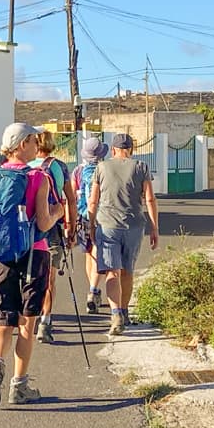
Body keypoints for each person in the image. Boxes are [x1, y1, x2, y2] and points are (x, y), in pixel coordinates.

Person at [0, 122, 63, 406]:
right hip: (33, 254)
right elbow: (44, 222)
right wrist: (58, 212)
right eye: (34, 140)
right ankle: (19, 386)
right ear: (23, 144)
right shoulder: (38, 177)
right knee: (27, 322)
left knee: (4, 318)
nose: (37, 145)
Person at [87, 132, 159, 336]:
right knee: (127, 271)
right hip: (134, 226)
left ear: (113, 149)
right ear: (131, 149)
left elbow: (93, 200)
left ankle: (116, 314)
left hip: (107, 225)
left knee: (112, 272)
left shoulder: (102, 167)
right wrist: (154, 228)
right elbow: (150, 199)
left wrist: (91, 225)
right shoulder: (141, 167)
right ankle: (125, 312)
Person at [29, 132, 75, 344]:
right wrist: (71, 228)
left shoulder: (25, 166)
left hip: (28, 228)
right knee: (50, 277)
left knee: (27, 274)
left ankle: (28, 317)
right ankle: (45, 322)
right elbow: (70, 199)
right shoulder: (59, 167)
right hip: (52, 227)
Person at [73, 136, 108, 314]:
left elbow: (72, 196)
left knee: (88, 253)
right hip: (102, 217)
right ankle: (93, 290)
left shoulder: (78, 171)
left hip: (83, 217)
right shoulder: (105, 169)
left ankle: (93, 288)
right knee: (97, 252)